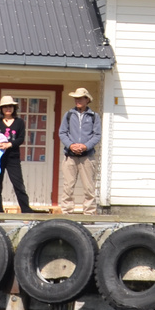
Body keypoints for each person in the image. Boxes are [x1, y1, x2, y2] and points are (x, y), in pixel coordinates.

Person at [0, 96, 40, 214]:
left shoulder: (19, 122)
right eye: (5, 106)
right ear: (1, 109)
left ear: (14, 108)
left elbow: (21, 138)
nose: (8, 109)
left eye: (10, 106)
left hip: (13, 157)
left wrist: (9, 144)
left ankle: (26, 209)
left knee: (18, 184)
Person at [59, 87, 101, 215]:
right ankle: (67, 212)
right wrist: (71, 145)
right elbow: (62, 133)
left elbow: (97, 135)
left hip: (87, 156)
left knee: (89, 187)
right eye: (76, 98)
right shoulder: (69, 114)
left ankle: (89, 213)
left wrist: (85, 146)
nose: (77, 100)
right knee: (68, 186)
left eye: (80, 98)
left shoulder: (94, 116)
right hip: (70, 156)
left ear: (87, 100)